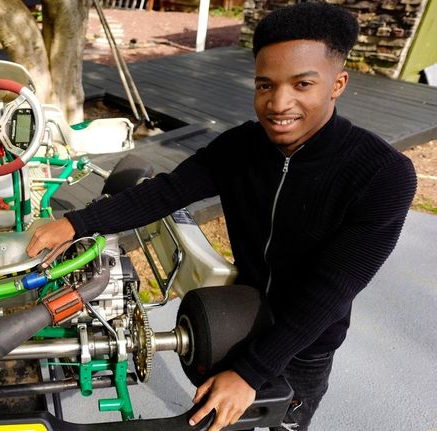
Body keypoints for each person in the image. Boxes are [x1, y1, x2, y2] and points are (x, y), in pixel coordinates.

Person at [26, 3, 417, 431]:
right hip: (240, 316)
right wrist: (76, 223)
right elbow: (167, 192)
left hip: (307, 344)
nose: (278, 103)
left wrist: (251, 373)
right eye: (264, 85)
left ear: (337, 83)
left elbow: (332, 289)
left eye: (302, 84)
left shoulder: (383, 174)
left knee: (283, 423)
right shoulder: (241, 147)